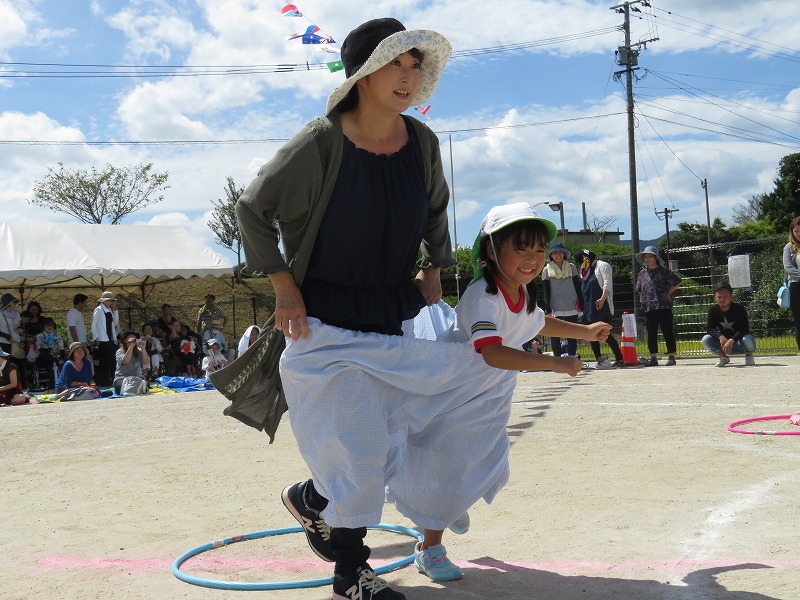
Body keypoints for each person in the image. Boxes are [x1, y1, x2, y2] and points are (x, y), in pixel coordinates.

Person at [235, 17, 455, 599]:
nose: (408, 76)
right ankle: (349, 574)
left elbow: (436, 208)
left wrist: (436, 263)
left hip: (391, 312)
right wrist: (283, 285)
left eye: (415, 65)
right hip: (322, 318)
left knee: (387, 440)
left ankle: (313, 498)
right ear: (362, 75)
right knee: (359, 447)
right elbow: (251, 209)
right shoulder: (321, 143)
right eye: (395, 64)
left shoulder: (423, 143)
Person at [431, 203, 610, 576]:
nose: (532, 259)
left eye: (539, 250)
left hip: (485, 395)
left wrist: (585, 331)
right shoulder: (484, 295)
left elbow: (538, 323)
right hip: (451, 395)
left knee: (489, 459)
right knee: (448, 468)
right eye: (521, 248)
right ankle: (429, 547)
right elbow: (493, 352)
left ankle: (453, 499)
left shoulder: (522, 291)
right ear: (492, 250)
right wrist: (554, 363)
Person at [574, 249, 624, 369]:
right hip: (588, 306)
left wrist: (602, 299)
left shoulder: (603, 266)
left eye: (581, 261)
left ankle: (620, 358)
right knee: (591, 334)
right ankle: (599, 359)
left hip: (601, 305)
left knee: (605, 334)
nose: (581, 265)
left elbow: (607, 284)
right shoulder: (586, 271)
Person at [634, 246, 682, 366]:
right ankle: (653, 357)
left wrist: (668, 293)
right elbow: (639, 288)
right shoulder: (642, 273)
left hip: (664, 306)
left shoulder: (665, 271)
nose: (647, 259)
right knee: (651, 332)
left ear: (656, 258)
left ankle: (671, 356)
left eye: (650, 256)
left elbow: (677, 281)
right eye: (645, 257)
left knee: (667, 331)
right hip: (649, 307)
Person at [541, 242, 582, 357]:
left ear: (564, 254)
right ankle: (557, 359)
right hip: (555, 305)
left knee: (572, 333)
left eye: (560, 252)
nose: (558, 254)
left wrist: (581, 301)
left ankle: (572, 358)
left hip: (571, 304)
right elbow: (546, 290)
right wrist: (547, 306)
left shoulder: (571, 267)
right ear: (551, 255)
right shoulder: (546, 269)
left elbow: (577, 286)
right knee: (555, 333)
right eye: (554, 252)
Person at [701, 281, 756, 367]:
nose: (722, 299)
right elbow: (710, 329)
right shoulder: (713, 310)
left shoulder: (739, 309)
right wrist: (720, 336)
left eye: (725, 296)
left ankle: (749, 356)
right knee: (706, 339)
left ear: (731, 297)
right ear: (715, 297)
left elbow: (744, 329)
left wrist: (731, 340)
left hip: (739, 343)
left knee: (748, 339)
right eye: (719, 297)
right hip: (723, 345)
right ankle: (723, 357)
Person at [91, 291, 120, 386]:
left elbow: (114, 323)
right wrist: (96, 338)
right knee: (108, 360)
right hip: (102, 340)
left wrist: (115, 312)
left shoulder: (109, 310)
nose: (111, 302)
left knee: (108, 361)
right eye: (109, 300)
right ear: (104, 301)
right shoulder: (98, 309)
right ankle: (106, 380)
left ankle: (108, 380)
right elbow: (94, 325)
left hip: (110, 338)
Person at [113, 330, 150, 395]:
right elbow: (125, 361)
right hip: (122, 378)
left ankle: (132, 389)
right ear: (125, 340)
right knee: (119, 387)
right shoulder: (120, 351)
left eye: (134, 338)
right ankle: (135, 389)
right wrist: (130, 347)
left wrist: (143, 349)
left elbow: (146, 362)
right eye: (131, 337)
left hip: (136, 378)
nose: (133, 339)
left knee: (146, 384)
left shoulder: (138, 351)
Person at [783, 216, 800, 350]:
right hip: (796, 286)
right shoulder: (789, 247)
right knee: (799, 320)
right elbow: (788, 267)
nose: (798, 234)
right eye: (796, 231)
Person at [0, 293, 26, 382]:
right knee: (7, 365)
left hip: (15, 341)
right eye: (13, 301)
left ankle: (20, 384)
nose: (15, 303)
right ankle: (7, 384)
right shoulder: (0, 314)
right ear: (8, 303)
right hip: (4, 342)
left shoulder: (16, 313)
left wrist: (19, 329)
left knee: (18, 363)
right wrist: (7, 336)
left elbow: (18, 326)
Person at [34, 317, 65, 387]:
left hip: (54, 358)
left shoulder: (57, 336)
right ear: (43, 327)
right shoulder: (39, 336)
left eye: (51, 325)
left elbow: (62, 350)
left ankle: (53, 386)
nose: (49, 327)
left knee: (52, 363)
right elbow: (40, 349)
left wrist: (62, 358)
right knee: (50, 359)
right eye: (47, 325)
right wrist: (50, 350)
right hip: (41, 358)